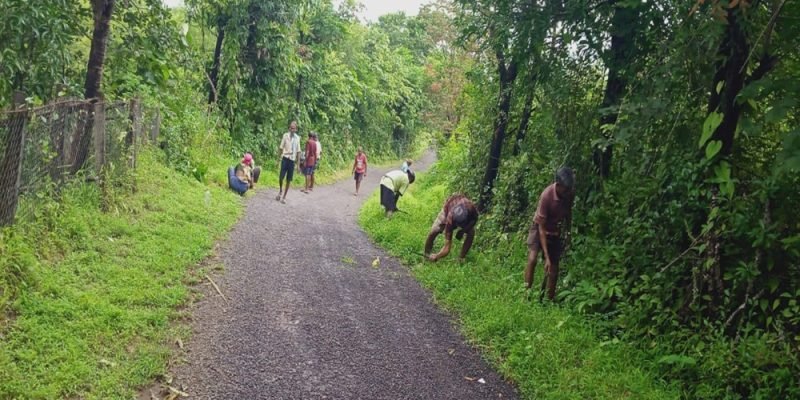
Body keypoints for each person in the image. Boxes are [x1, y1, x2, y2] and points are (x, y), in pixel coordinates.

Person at [524, 167, 575, 301]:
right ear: (558, 185)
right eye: (565, 189)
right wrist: (546, 256)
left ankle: (549, 299)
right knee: (533, 258)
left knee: (554, 268)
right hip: (540, 227)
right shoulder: (546, 196)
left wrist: (568, 233)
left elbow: (568, 213)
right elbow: (541, 228)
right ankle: (526, 293)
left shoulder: (569, 193)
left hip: (555, 229)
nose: (567, 192)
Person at [424, 194, 479, 262]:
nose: (458, 226)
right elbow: (447, 247)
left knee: (471, 232)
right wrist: (437, 256)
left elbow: (475, 219)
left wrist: (463, 230)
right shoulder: (449, 220)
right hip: (448, 206)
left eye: (462, 224)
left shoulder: (471, 208)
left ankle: (461, 258)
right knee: (434, 230)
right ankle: (426, 255)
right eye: (458, 224)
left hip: (460, 202)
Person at [277, 121, 301, 204]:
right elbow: (281, 147)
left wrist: (298, 165)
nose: (292, 129)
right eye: (291, 128)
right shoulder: (285, 136)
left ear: (296, 129)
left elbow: (298, 151)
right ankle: (280, 190)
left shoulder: (297, 138)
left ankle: (284, 197)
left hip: (292, 160)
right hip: (285, 158)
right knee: (281, 177)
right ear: (289, 128)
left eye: (293, 128)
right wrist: (278, 160)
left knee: (288, 179)